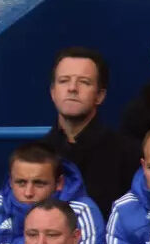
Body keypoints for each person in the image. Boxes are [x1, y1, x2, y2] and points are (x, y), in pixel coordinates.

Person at [43, 47, 141, 219]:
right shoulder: (35, 154)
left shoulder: (129, 155)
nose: (72, 88)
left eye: (84, 82)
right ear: (52, 92)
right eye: (64, 81)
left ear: (100, 95)